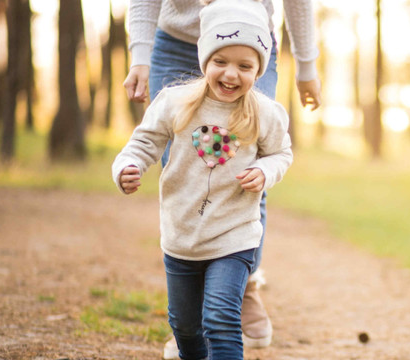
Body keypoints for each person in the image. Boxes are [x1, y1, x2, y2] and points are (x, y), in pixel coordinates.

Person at [123, 0, 322, 353]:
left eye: (241, 69)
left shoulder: (261, 102)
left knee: (247, 164)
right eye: (222, 66)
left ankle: (234, 290)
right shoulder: (173, 100)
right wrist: (140, 53)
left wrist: (306, 65)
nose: (230, 74)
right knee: (181, 165)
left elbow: (278, 152)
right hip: (174, 39)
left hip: (254, 35)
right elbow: (145, 143)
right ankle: (194, 305)